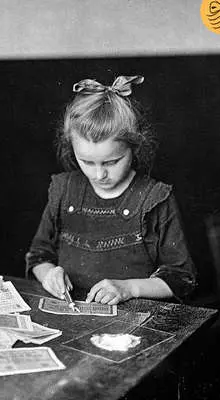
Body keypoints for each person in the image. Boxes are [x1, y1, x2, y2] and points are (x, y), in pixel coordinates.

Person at [25, 75, 196, 305]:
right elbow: (38, 256)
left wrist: (129, 288)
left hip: (135, 320)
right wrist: (49, 274)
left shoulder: (155, 199)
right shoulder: (64, 191)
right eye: (87, 162)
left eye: (111, 162)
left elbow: (181, 278)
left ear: (134, 147)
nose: (99, 175)